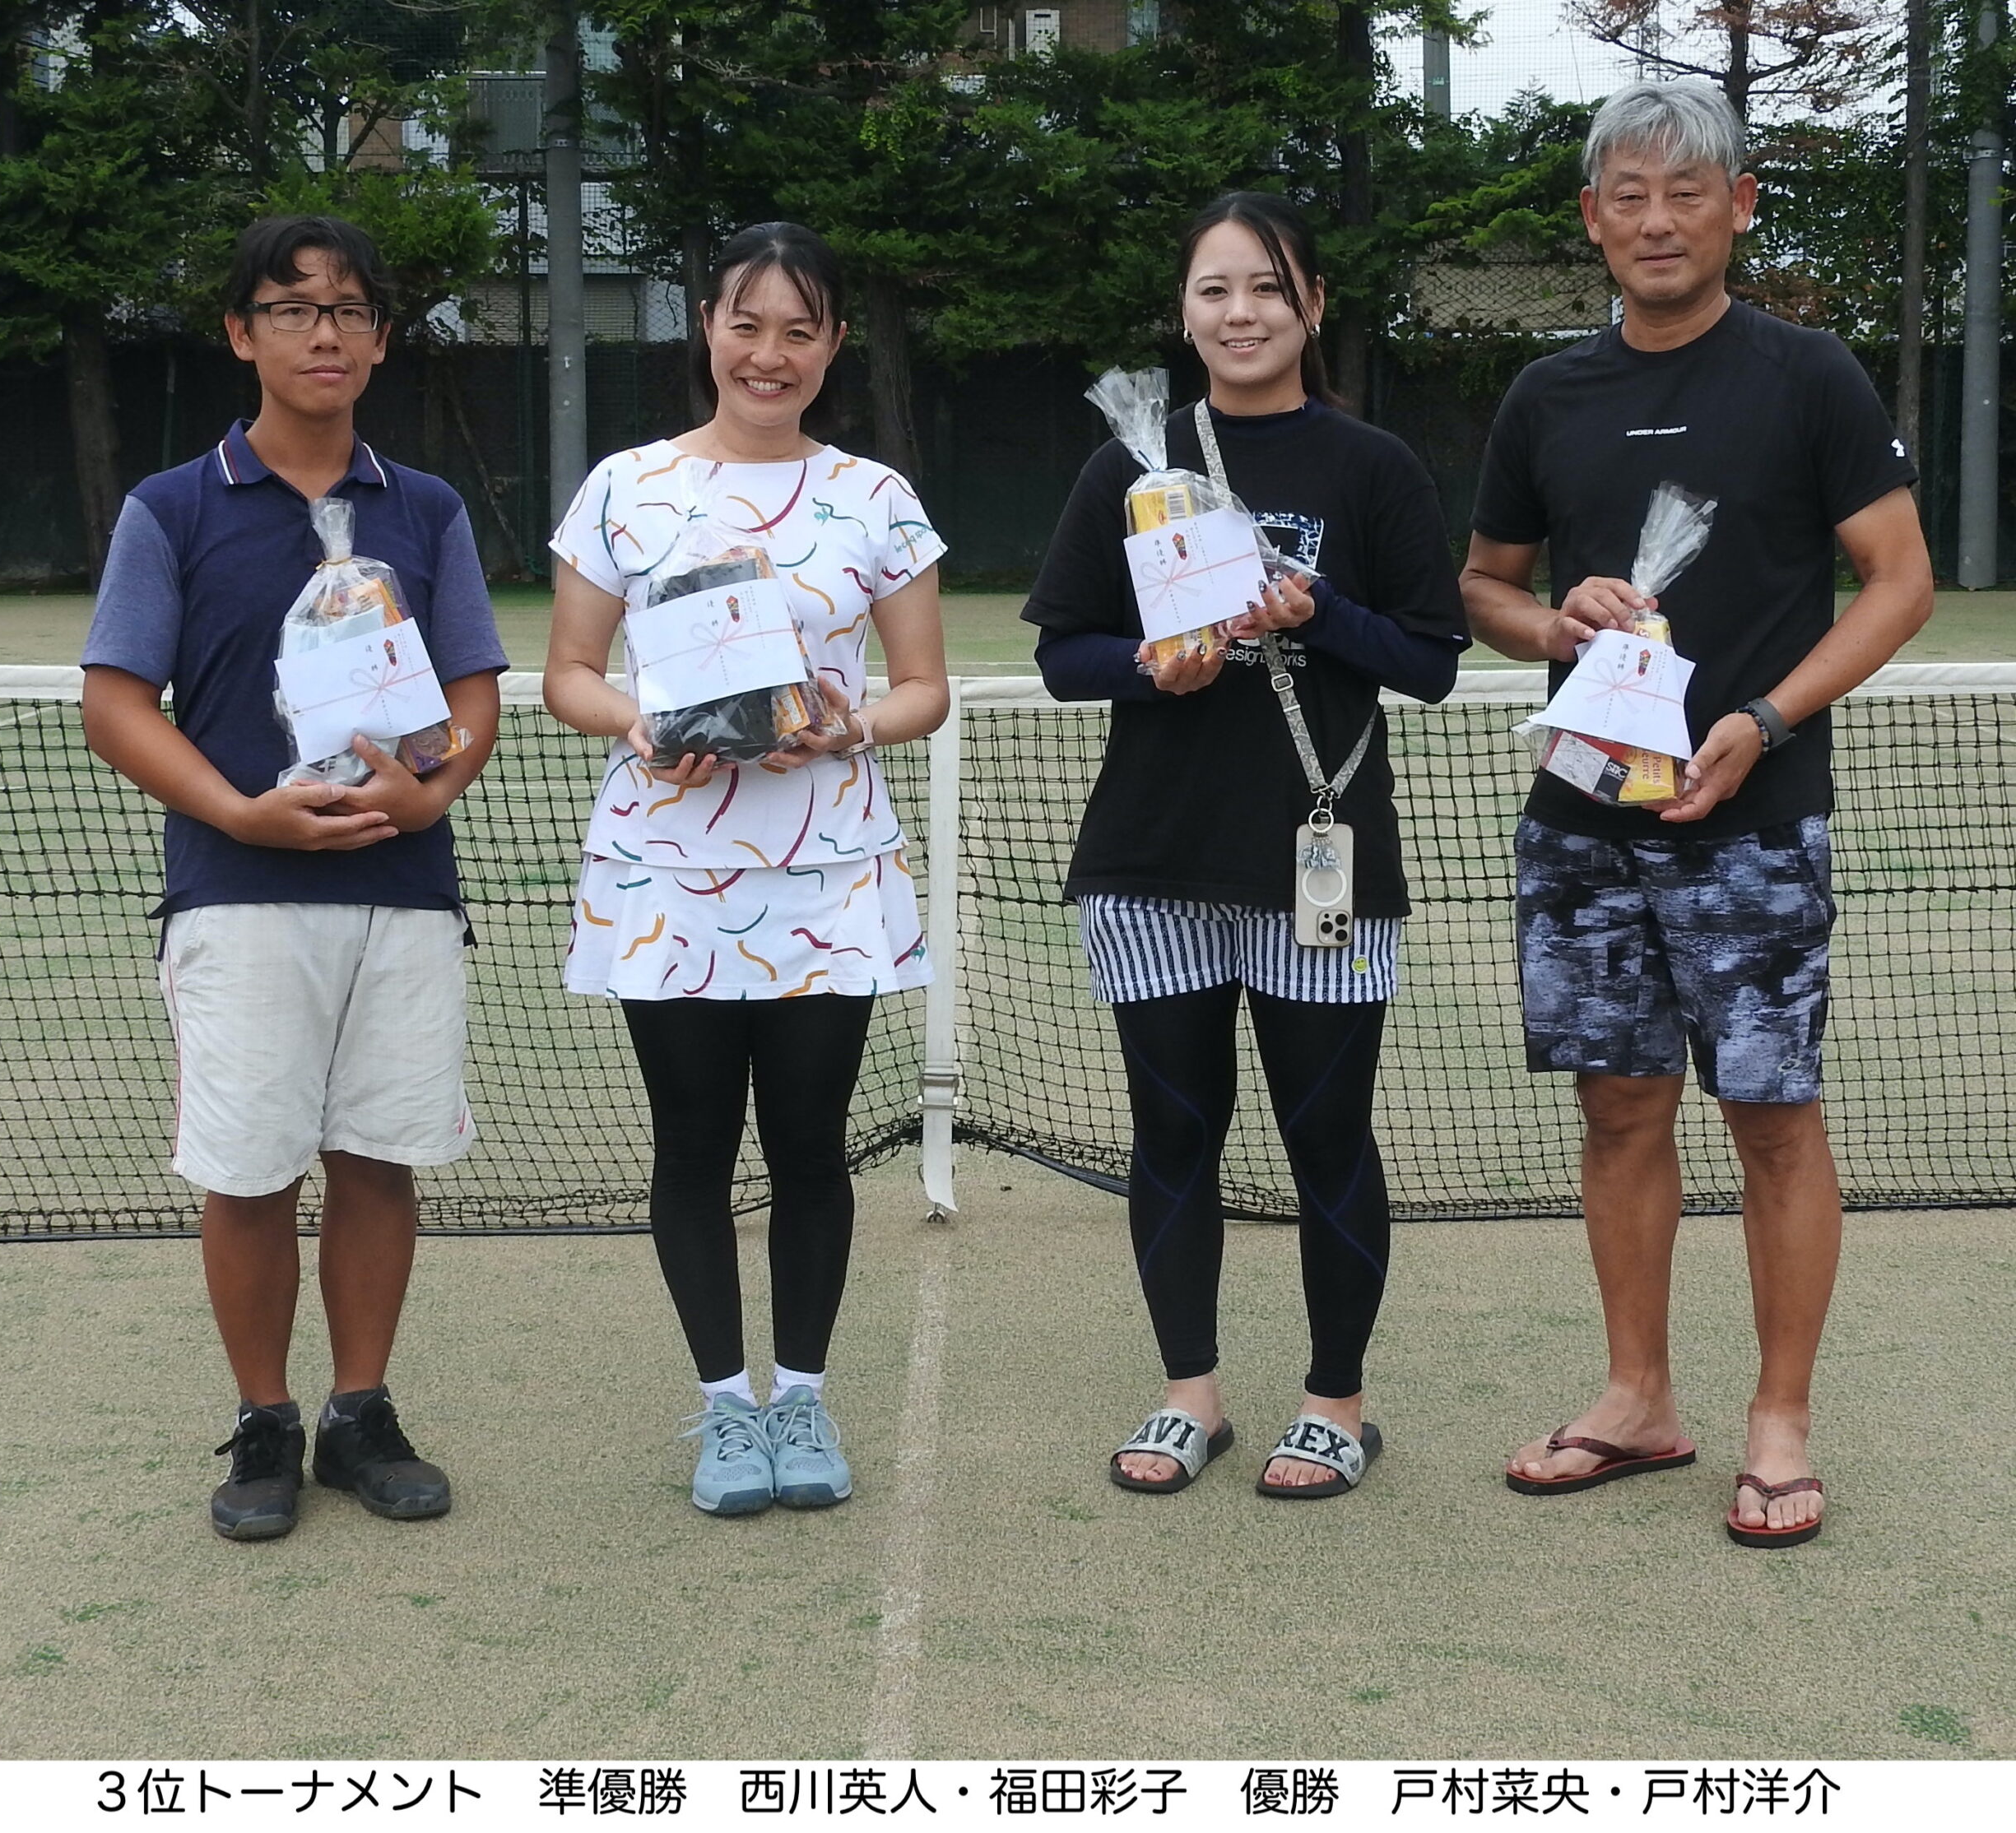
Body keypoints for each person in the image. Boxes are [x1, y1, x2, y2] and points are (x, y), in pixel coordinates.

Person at [1461, 81, 1932, 1548]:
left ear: (1739, 206)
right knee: (1617, 1108)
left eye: (1686, 192)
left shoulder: (1808, 376)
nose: (1656, 220)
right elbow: (1484, 588)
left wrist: (1765, 721)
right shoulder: (1547, 395)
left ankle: (1779, 1422)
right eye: (1629, 196)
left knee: (1773, 1119)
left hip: (1757, 820)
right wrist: (1554, 625)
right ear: (1592, 218)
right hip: (1583, 821)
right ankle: (1638, 1398)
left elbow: (1900, 581)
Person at [1024, 192, 1469, 1498]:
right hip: (1152, 858)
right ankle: (1191, 1398)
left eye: (1268, 288)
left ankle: (1337, 1404)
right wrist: (1151, 665)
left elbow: (1431, 661)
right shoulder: (1133, 464)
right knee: (1174, 1136)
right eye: (1215, 289)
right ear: (1185, 311)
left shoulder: (1373, 466)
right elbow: (1063, 653)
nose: (1241, 313)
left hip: (1319, 858)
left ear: (1313, 306)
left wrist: (1316, 612)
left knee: (1328, 1139)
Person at [81, 216, 509, 1540]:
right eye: (292, 308)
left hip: (403, 894)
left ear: (379, 340)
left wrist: (426, 791)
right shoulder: (170, 507)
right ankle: (264, 1420)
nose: (325, 333)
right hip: (237, 894)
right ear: (240, 333)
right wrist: (239, 814)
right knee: (251, 1170)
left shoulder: (427, 510)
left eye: (350, 310)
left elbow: (474, 699)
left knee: (378, 1161)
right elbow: (115, 703)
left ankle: (359, 1412)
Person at [544, 222, 949, 1517]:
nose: (770, 354)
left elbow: (924, 688)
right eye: (747, 323)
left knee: (813, 1146)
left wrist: (851, 725)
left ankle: (804, 1397)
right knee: (693, 1147)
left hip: (828, 870)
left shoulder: (875, 498)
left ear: (833, 345)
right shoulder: (625, 487)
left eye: (800, 330)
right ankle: (728, 1409)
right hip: (668, 873)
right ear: (707, 326)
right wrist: (639, 724)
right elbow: (569, 675)